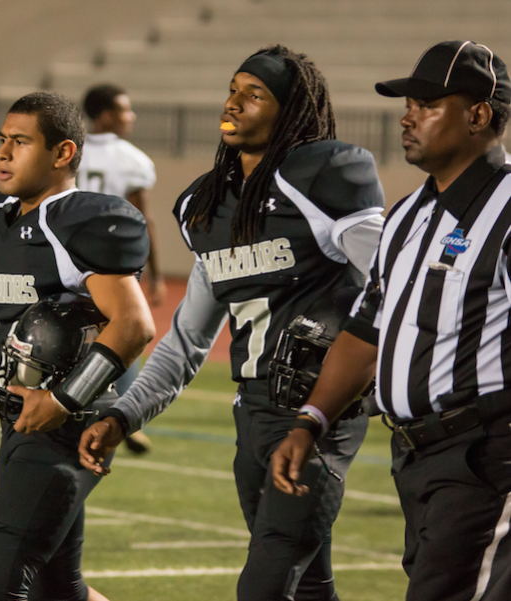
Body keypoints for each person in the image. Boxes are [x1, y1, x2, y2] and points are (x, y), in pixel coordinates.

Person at [78, 45, 386, 600]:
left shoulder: (325, 175)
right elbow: (186, 342)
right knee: (309, 587)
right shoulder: (208, 203)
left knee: (264, 587)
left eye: (256, 94)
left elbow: (396, 288)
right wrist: (124, 415)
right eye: (233, 88)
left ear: (290, 110)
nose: (234, 103)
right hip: (254, 414)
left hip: (319, 413)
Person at [271, 40, 511, 601]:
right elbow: (367, 330)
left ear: (477, 115)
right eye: (409, 103)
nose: (408, 116)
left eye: (427, 104)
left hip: (486, 452)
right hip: (415, 456)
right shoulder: (406, 216)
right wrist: (312, 419)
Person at [0, 91, 154, 601]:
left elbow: (134, 325)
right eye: (2, 140)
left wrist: (65, 400)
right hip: (18, 420)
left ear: (62, 154)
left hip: (71, 425)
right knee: (59, 589)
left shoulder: (80, 222)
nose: (2, 153)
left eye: (20, 142)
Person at [78, 83, 159, 454]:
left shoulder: (68, 147)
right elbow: (144, 220)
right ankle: (124, 413)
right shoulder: (132, 158)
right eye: (125, 110)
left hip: (65, 257)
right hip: (112, 262)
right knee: (128, 331)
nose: (131, 117)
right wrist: (155, 274)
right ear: (108, 114)